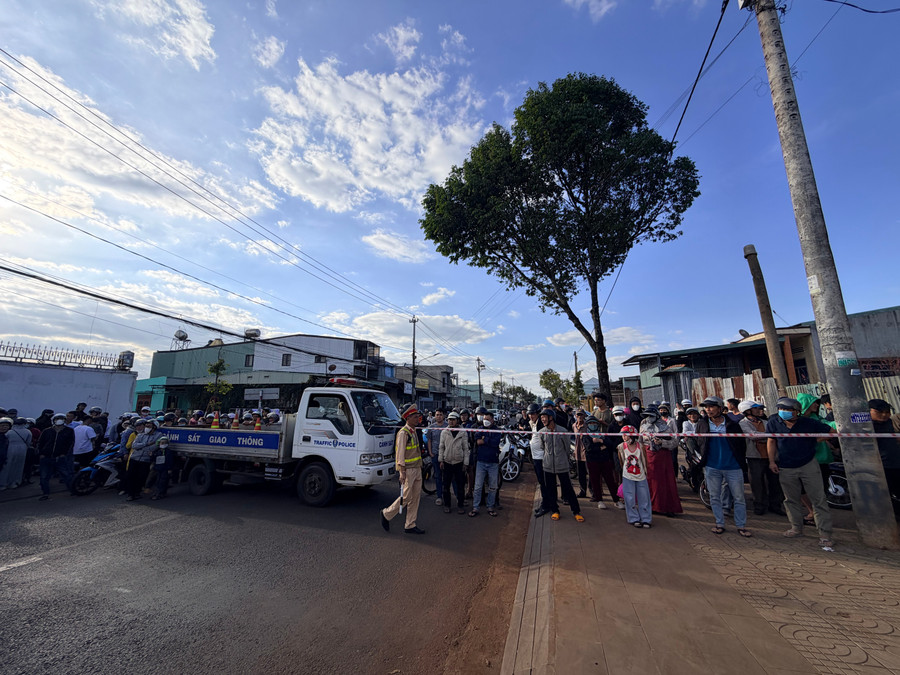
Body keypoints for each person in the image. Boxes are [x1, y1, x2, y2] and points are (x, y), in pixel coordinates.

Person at [767, 397, 834, 547]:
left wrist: (816, 440)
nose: (784, 412)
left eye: (788, 410)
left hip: (808, 464)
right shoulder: (774, 422)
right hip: (785, 466)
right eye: (781, 409)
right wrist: (772, 461)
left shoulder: (808, 423)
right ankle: (796, 528)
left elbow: (831, 431)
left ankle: (825, 534)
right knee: (791, 499)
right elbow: (771, 441)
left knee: (818, 499)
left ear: (797, 411)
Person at [693, 397, 751, 537]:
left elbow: (741, 444)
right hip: (712, 467)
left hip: (733, 466)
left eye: (711, 407)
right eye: (706, 407)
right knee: (714, 497)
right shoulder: (702, 424)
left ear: (720, 408)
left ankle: (741, 525)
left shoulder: (732, 424)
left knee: (739, 498)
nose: (708, 410)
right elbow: (698, 442)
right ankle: (719, 523)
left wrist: (741, 461)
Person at [380, 404, 426, 535]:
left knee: (415, 497)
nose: (418, 419)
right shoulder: (403, 433)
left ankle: (410, 524)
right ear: (408, 418)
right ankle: (386, 514)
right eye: (415, 417)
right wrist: (402, 471)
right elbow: (400, 454)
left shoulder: (414, 431)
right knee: (406, 497)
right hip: (408, 470)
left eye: (418, 417)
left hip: (417, 468)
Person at [537, 409, 584, 522]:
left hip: (562, 464)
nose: (543, 419)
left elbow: (567, 448)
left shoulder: (562, 431)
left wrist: (562, 458)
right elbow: (543, 447)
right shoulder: (542, 432)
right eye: (541, 417)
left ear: (551, 418)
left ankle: (576, 511)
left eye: (545, 417)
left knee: (568, 488)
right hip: (548, 465)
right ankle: (555, 511)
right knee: (551, 489)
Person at [739, 400, 784, 516]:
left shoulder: (766, 422)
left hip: (771, 456)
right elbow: (754, 436)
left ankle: (775, 505)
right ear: (747, 411)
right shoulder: (743, 423)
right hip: (755, 457)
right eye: (757, 409)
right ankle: (759, 505)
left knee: (774, 482)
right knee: (757, 483)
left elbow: (773, 436)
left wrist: (767, 437)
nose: (760, 411)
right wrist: (769, 437)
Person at [640, 405, 682, 516]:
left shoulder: (665, 427)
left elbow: (674, 442)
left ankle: (668, 507)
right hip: (648, 456)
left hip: (663, 457)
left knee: (666, 482)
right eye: (647, 415)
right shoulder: (643, 426)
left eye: (651, 415)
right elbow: (640, 442)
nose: (649, 418)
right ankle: (652, 506)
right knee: (651, 481)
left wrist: (662, 443)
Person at [618, 425, 652, 528]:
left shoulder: (640, 446)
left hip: (641, 476)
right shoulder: (621, 447)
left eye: (626, 435)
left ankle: (646, 519)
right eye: (623, 435)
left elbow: (644, 460)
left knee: (644, 498)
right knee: (629, 498)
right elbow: (622, 461)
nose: (624, 438)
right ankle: (633, 518)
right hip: (628, 476)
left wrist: (646, 472)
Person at [584, 414, 621, 509]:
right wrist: (601, 447)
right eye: (590, 423)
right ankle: (599, 500)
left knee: (610, 481)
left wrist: (600, 441)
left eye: (594, 423)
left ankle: (616, 500)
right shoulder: (586, 436)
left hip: (605, 460)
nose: (592, 425)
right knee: (595, 481)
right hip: (592, 461)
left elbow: (610, 445)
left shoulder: (602, 434)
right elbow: (589, 448)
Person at [470, 410, 502, 517]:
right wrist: (488, 440)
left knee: (493, 486)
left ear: (492, 420)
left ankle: (490, 506)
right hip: (481, 462)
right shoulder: (479, 429)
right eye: (484, 419)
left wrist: (485, 439)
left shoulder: (497, 430)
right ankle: (475, 507)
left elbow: (496, 443)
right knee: (478, 486)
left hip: (493, 462)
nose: (485, 421)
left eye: (488, 419)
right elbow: (478, 441)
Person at [37, 413, 76, 500]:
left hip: (60, 457)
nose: (59, 420)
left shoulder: (69, 431)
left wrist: (63, 454)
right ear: (53, 420)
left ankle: (73, 490)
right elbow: (41, 443)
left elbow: (70, 443)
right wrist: (41, 454)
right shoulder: (47, 431)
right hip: (46, 457)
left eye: (61, 418)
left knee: (66, 474)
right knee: (44, 476)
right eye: (57, 418)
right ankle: (45, 493)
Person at [869, 399, 900, 504]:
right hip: (881, 465)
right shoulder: (866, 426)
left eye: (887, 412)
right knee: (887, 493)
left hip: (895, 461)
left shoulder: (889, 422)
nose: (884, 415)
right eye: (879, 412)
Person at [125, 418, 163, 501]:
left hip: (145, 460)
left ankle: (137, 493)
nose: (146, 428)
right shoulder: (141, 435)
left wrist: (142, 447)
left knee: (141, 477)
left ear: (154, 427)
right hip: (134, 458)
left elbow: (154, 447)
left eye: (149, 426)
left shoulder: (159, 435)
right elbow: (134, 445)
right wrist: (146, 444)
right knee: (131, 476)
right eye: (146, 426)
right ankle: (130, 494)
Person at [438, 411, 469, 514]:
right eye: (449, 420)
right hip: (447, 462)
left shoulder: (462, 432)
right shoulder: (444, 432)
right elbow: (441, 447)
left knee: (460, 486)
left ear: (457, 421)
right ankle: (447, 505)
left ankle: (460, 505)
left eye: (453, 420)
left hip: (459, 462)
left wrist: (466, 463)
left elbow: (465, 448)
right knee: (446, 486)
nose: (451, 422)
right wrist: (441, 460)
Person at [0, 417, 32, 489]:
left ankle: (3, 484)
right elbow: (29, 442)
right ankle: (14, 482)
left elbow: (5, 440)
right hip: (23, 449)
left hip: (11, 448)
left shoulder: (10, 432)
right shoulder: (28, 431)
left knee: (7, 467)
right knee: (19, 466)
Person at [428, 409, 447, 506]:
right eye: (437, 415)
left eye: (440, 414)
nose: (438, 416)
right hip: (435, 454)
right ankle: (439, 496)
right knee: (438, 476)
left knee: (448, 477)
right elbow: (429, 440)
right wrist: (430, 452)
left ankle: (449, 496)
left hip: (446, 455)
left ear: (443, 416)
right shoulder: (431, 427)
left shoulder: (448, 426)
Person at [572, 409, 590, 498]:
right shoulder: (574, 426)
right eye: (578, 415)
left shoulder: (587, 426)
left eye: (581, 415)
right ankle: (583, 491)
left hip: (586, 452)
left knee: (590, 474)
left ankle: (593, 492)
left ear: (584, 416)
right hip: (578, 453)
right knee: (580, 474)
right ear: (575, 416)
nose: (579, 417)